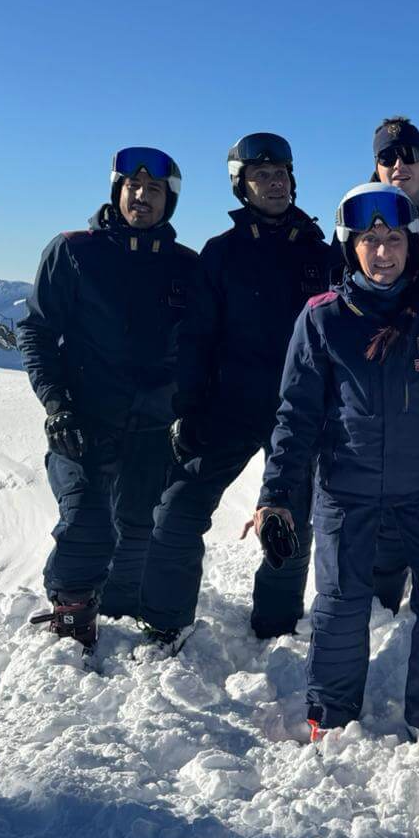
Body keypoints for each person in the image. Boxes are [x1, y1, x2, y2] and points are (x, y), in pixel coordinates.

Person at [252, 184, 419, 745]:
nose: (383, 252)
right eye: (369, 240)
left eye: (394, 238)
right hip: (345, 492)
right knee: (341, 608)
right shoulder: (322, 320)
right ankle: (331, 716)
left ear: (411, 243)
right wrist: (275, 495)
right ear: (350, 247)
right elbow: (295, 417)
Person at [135, 133, 340, 645]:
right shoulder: (221, 254)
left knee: (291, 521)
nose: (274, 183)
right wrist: (188, 408)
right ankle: (164, 623)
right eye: (260, 175)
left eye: (281, 174)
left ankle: (275, 626)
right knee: (178, 510)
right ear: (240, 187)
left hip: (297, 411)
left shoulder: (319, 255)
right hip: (226, 407)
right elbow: (196, 337)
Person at [18, 147, 198, 651]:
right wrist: (58, 405)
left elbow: (199, 348)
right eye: (132, 186)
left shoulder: (185, 267)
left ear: (170, 201)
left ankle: (118, 605)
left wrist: (190, 410)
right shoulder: (74, 251)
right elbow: (36, 331)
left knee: (139, 528)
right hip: (84, 418)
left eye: (155, 189)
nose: (141, 196)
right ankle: (72, 613)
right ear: (116, 190)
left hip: (154, 424)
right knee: (86, 518)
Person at [368, 115, 419, 611]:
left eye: (409, 155)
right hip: (393, 376)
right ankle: (383, 600)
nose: (400, 165)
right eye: (388, 157)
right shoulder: (364, 214)